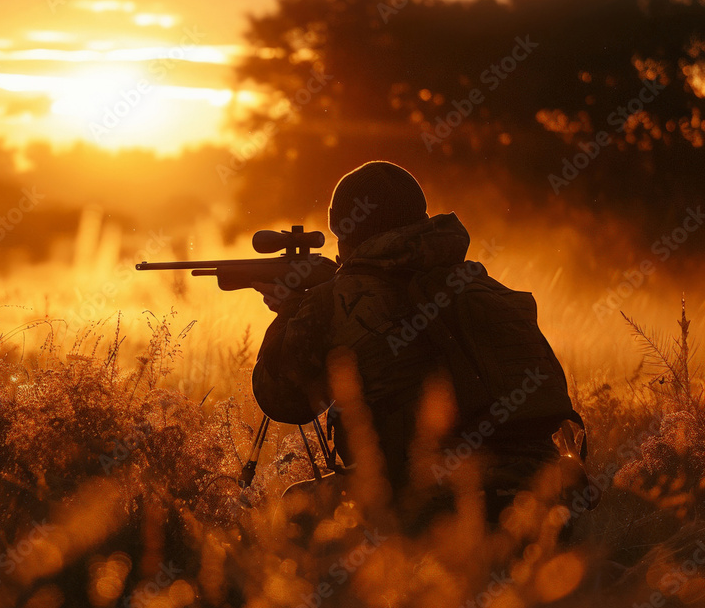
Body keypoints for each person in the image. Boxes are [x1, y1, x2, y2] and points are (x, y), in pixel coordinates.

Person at [251, 161, 589, 528]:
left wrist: (290, 310)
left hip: (432, 505)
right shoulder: (484, 288)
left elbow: (281, 400)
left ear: (344, 229)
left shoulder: (335, 299)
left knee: (296, 508)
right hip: (543, 501)